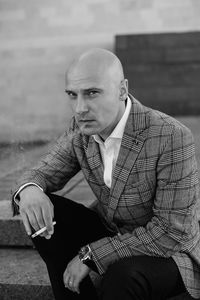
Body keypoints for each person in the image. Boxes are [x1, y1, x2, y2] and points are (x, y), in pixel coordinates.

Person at [11, 48, 200, 300]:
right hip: (111, 230)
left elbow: (170, 232)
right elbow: (44, 170)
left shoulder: (170, 136)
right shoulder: (82, 129)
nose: (80, 108)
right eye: (72, 95)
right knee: (43, 213)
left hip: (168, 251)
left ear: (122, 90)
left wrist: (89, 256)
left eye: (92, 93)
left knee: (123, 275)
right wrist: (30, 190)